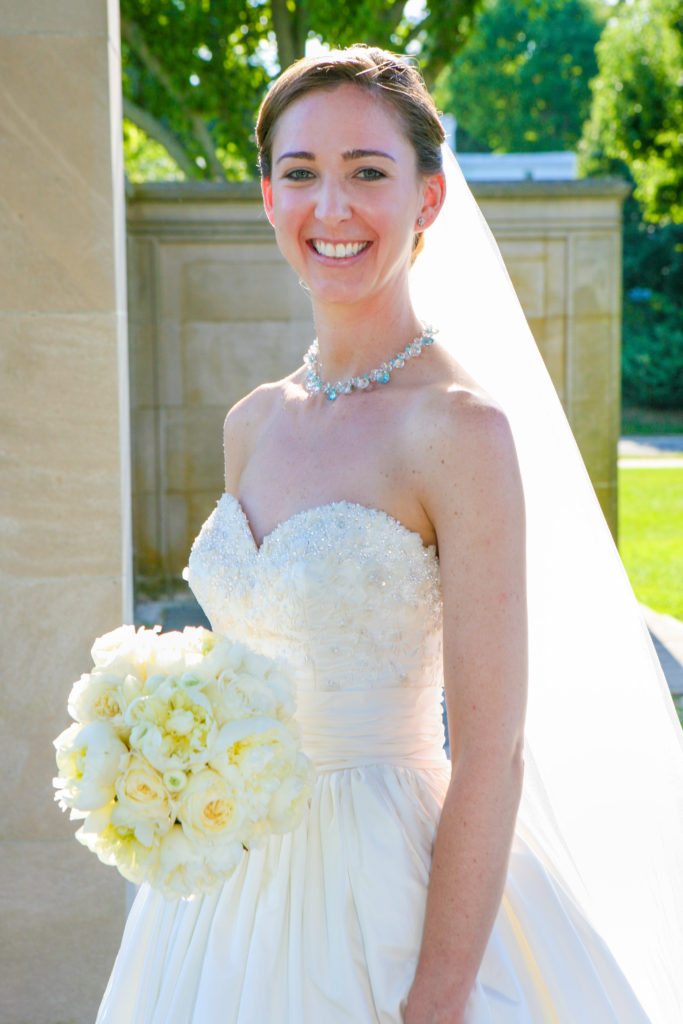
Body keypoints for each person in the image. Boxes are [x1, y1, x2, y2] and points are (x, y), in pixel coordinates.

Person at [96, 45, 683, 1023]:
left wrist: (438, 994)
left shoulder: (457, 428)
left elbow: (491, 744)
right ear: (266, 196)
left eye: (367, 171)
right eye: (300, 173)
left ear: (426, 198)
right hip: (216, 898)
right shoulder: (252, 422)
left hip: (383, 887)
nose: (331, 207)